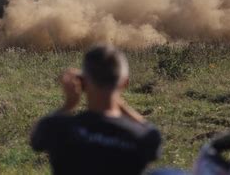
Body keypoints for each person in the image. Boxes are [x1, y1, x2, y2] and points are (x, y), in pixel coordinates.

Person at [31, 44, 162, 175]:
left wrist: (69, 104)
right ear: (125, 83)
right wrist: (117, 100)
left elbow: (37, 138)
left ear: (83, 82)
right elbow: (151, 133)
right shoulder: (141, 136)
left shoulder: (59, 129)